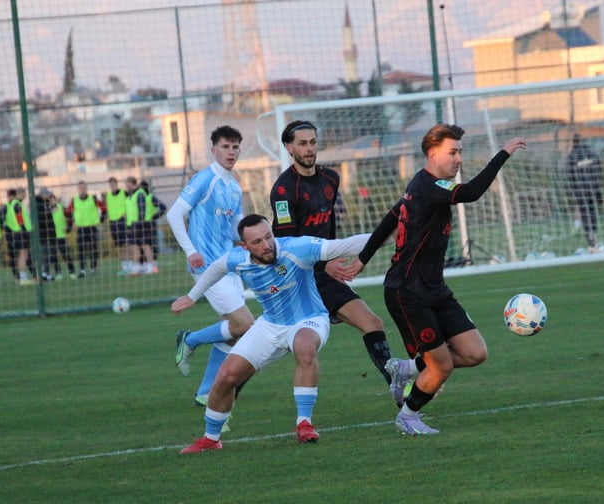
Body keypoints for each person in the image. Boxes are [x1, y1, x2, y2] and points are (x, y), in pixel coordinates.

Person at [343, 124, 527, 436]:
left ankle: (407, 368)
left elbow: (390, 218)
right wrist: (503, 153)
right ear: (433, 154)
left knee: (474, 353)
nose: (459, 159)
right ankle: (408, 415)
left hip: (434, 288)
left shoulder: (424, 185)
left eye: (461, 152)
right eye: (452, 152)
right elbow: (471, 192)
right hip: (407, 292)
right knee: (441, 366)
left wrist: (362, 259)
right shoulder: (428, 186)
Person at [171, 214, 370, 453]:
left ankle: (304, 424)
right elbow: (216, 268)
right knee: (226, 376)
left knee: (304, 346)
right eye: (257, 242)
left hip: (309, 318)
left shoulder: (296, 248)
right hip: (270, 325)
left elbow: (346, 244)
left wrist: (398, 232)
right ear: (244, 246)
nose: (266, 245)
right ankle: (211, 439)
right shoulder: (238, 259)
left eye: (268, 237)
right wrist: (192, 296)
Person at [270, 120, 404, 405]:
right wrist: (323, 264)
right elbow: (286, 246)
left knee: (372, 322)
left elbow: (326, 229)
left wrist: (330, 257)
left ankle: (397, 386)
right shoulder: (283, 190)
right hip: (297, 278)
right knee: (271, 348)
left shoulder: (330, 178)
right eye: (303, 143)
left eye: (313, 142)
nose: (309, 149)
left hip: (323, 270)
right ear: (289, 147)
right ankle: (225, 385)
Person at [167, 125, 255, 406]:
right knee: (245, 324)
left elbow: (234, 227)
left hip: (228, 265)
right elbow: (174, 214)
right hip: (206, 267)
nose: (231, 152)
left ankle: (205, 392)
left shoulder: (233, 185)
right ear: (214, 149)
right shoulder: (205, 179)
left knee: (233, 330)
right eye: (226, 147)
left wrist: (245, 240)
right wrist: (191, 251)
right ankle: (190, 340)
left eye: (235, 147)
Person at [565, 133, 604, 252]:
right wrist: (598, 185)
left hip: (580, 190)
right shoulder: (592, 153)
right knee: (592, 213)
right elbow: (599, 168)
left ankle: (590, 241)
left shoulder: (572, 155)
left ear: (573, 142)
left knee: (585, 214)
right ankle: (595, 236)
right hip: (593, 188)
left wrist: (572, 189)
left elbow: (569, 174)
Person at [68, 180, 101, 277]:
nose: (82, 189)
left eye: (83, 187)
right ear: (78, 189)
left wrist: (101, 219)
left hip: (92, 227)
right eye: (80, 188)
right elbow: (67, 212)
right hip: (81, 228)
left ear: (86, 188)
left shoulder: (93, 198)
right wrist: (72, 222)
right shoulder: (74, 200)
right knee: (81, 250)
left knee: (93, 249)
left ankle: (93, 269)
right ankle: (82, 270)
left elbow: (103, 208)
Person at [2, 188, 35, 285]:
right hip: (21, 232)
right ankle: (23, 278)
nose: (25, 196)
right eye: (24, 193)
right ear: (21, 194)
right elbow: (19, 216)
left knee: (24, 254)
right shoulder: (16, 204)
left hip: (19, 232)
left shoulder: (15, 203)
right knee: (23, 255)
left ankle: (23, 277)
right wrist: (23, 227)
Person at [43, 191, 75, 280]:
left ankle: (72, 272)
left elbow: (70, 218)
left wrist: (68, 228)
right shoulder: (47, 211)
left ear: (55, 199)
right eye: (49, 200)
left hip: (61, 235)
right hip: (51, 236)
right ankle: (58, 273)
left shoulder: (62, 208)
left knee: (65, 254)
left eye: (52, 199)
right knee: (54, 256)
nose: (51, 201)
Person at [139, 180, 166, 274]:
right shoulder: (140, 199)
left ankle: (153, 266)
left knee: (150, 245)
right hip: (142, 224)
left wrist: (154, 216)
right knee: (144, 245)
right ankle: (148, 266)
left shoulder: (150, 197)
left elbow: (163, 207)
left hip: (149, 224)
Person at [122, 176, 147, 275]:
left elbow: (142, 210)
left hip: (137, 224)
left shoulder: (139, 194)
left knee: (137, 246)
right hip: (130, 224)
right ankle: (139, 267)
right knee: (134, 246)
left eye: (127, 183)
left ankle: (138, 267)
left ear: (131, 183)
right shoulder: (129, 195)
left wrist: (139, 222)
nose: (126, 186)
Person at [104, 176, 127, 274]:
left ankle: (130, 264)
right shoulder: (108, 195)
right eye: (110, 184)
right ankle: (124, 267)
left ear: (117, 184)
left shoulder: (123, 193)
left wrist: (125, 215)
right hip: (113, 222)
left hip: (122, 220)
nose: (112, 185)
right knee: (118, 245)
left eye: (114, 184)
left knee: (126, 244)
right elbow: (107, 209)